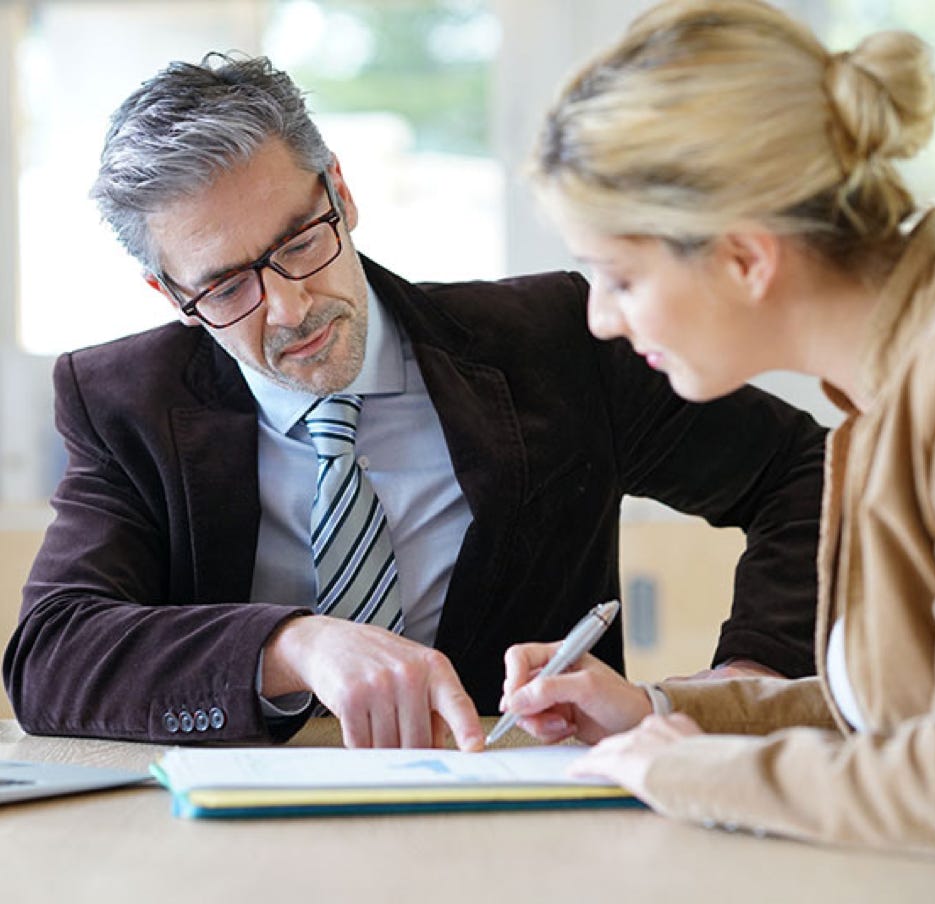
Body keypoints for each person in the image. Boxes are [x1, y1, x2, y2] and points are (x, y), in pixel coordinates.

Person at [1, 52, 826, 752]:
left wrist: (748, 681)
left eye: (300, 242)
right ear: (168, 292)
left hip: (526, 805)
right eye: (224, 288)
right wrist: (290, 646)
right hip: (240, 830)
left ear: (340, 192)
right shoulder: (124, 401)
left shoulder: (555, 343)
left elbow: (806, 471)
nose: (288, 308)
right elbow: (51, 657)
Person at [499, 0, 935, 883]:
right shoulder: (891, 382)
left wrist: (693, 771)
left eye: (619, 277)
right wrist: (654, 711)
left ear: (745, 258)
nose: (601, 319)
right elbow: (892, 714)